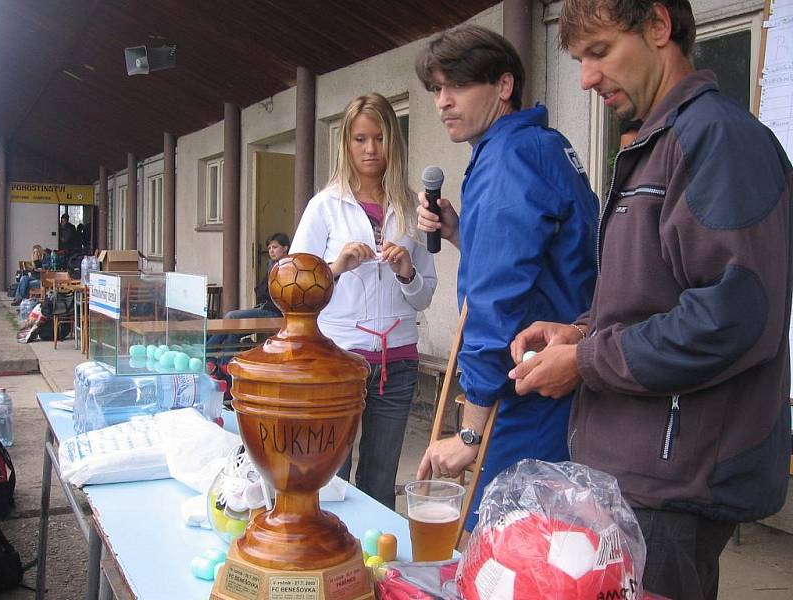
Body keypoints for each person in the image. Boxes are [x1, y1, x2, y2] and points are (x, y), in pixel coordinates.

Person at [508, 2, 792, 598]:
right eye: (581, 59)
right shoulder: (655, 142)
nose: (587, 77)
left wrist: (585, 362)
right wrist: (579, 332)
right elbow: (651, 295)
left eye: (600, 52)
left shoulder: (717, 140)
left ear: (659, 26)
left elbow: (732, 317)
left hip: (675, 485)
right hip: (638, 475)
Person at [413, 25, 599, 542]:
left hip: (524, 390)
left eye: (458, 87)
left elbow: (495, 305)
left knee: (506, 553)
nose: (443, 103)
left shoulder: (507, 160)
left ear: (502, 86)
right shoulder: (543, 145)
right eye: (436, 89)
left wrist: (469, 431)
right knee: (551, 546)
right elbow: (537, 264)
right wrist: (459, 232)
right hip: (559, 383)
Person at [291, 92, 437, 509]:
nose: (371, 149)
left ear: (393, 140)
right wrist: (335, 266)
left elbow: (425, 294)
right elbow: (296, 292)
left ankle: (375, 571)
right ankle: (332, 566)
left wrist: (407, 270)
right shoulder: (324, 206)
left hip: (399, 362)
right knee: (330, 476)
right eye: (360, 139)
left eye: (379, 138)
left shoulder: (414, 207)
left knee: (379, 482)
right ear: (346, 144)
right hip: (338, 361)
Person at [206, 233, 290, 354]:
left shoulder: (286, 267)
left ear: (285, 248)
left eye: (275, 247)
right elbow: (262, 291)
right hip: (264, 307)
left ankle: (205, 351)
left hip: (275, 312)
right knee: (234, 332)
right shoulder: (271, 266)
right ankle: (225, 365)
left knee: (232, 316)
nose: (271, 251)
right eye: (270, 248)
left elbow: (271, 293)